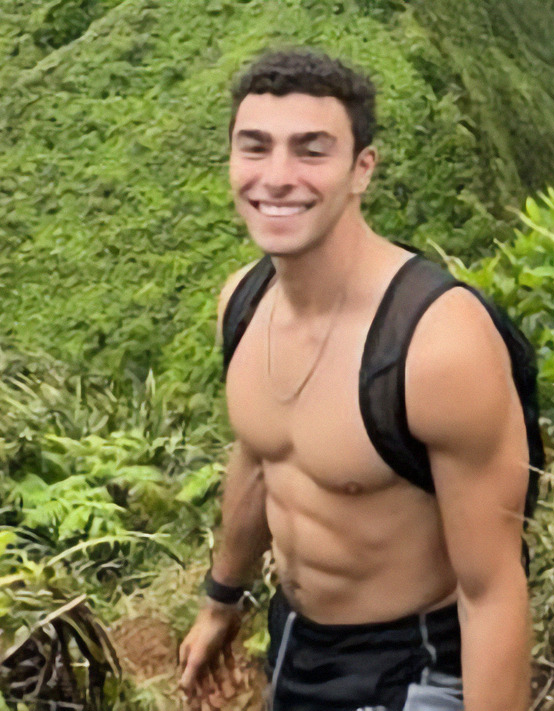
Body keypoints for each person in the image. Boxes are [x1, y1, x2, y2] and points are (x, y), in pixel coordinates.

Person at [179, 48, 532, 711]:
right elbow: (259, 460)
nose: (277, 177)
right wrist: (221, 600)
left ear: (360, 168)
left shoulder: (435, 343)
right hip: (296, 641)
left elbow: (493, 590)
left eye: (312, 150)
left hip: (413, 663)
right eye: (255, 147)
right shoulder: (242, 304)